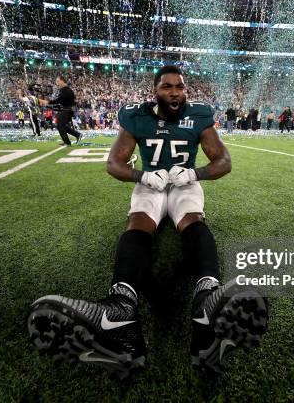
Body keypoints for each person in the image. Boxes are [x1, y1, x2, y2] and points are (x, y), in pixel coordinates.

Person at [26, 65, 268, 379]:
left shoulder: (199, 116)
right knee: (139, 223)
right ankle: (121, 307)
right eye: (167, 86)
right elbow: (114, 163)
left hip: (184, 182)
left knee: (193, 219)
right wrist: (142, 176)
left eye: (180, 87)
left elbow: (224, 161)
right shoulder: (136, 116)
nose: (175, 92)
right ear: (155, 91)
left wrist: (196, 173)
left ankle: (207, 298)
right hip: (150, 182)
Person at [40, 75, 82, 145]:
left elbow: (58, 100)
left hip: (68, 109)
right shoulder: (66, 89)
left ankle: (68, 141)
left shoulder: (64, 90)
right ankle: (77, 135)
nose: (57, 83)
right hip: (68, 109)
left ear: (62, 81)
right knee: (61, 124)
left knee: (60, 125)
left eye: (58, 81)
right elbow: (62, 101)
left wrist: (48, 102)